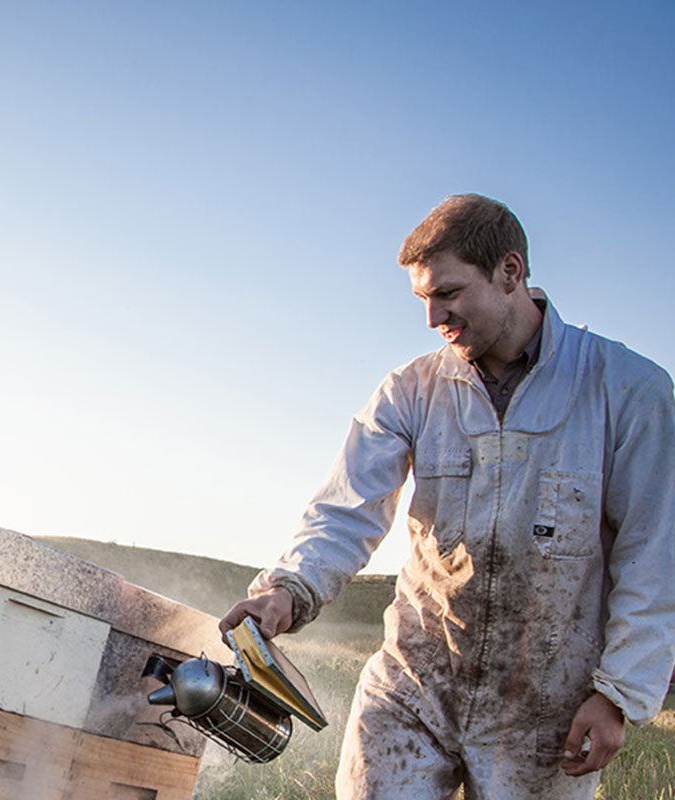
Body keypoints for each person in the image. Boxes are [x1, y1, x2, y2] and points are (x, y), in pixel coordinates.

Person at [219, 194, 675, 800]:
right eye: (423, 300)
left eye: (449, 294)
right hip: (416, 681)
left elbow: (655, 554)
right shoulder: (411, 389)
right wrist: (288, 588)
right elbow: (347, 508)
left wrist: (618, 693)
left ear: (510, 272)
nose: (434, 317)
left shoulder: (627, 390)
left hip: (545, 702)